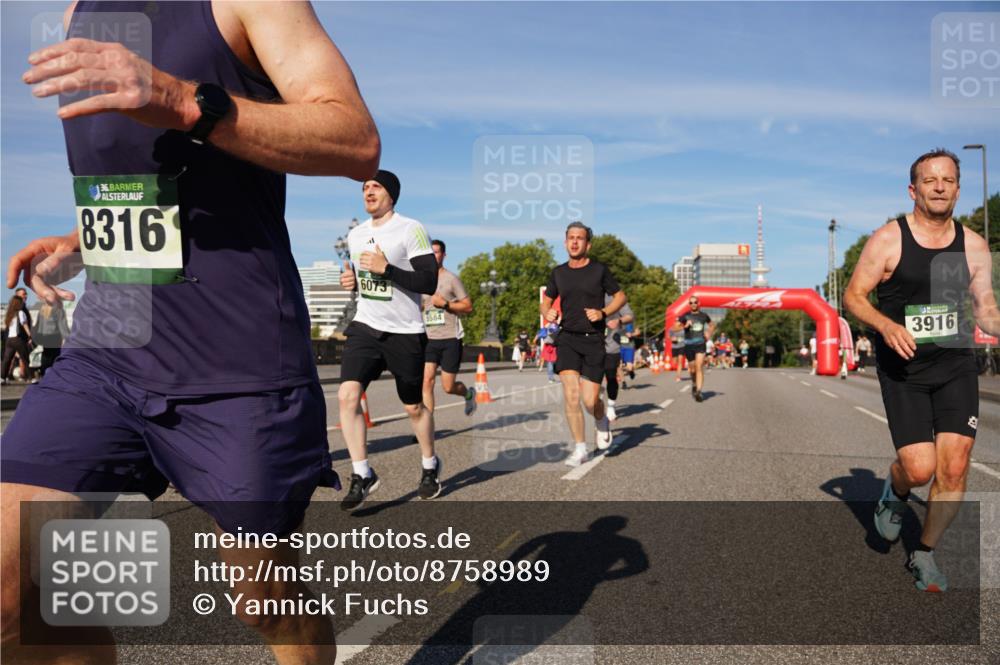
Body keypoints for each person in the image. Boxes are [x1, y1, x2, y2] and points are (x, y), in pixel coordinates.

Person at [2, 3, 380, 663]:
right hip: (106, 353)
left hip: (236, 361)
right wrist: (84, 242)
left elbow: (354, 139)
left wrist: (181, 100)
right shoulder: (77, 12)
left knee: (265, 600)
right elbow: (153, 182)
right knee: (10, 592)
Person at [844, 148, 1000, 593]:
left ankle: (925, 553)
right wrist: (886, 325)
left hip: (955, 365)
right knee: (919, 468)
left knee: (955, 466)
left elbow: (985, 309)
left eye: (947, 180)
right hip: (904, 371)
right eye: (930, 180)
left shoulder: (974, 246)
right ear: (913, 190)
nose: (939, 187)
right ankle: (895, 491)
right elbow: (853, 297)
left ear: (958, 190)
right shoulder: (888, 240)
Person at [338, 170, 443, 511]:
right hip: (366, 326)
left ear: (391, 194)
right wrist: (352, 282)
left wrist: (387, 269)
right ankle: (362, 473)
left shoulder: (411, 229)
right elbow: (366, 281)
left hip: (405, 332)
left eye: (376, 186)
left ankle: (429, 464)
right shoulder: (356, 235)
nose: (368, 191)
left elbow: (428, 281)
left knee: (413, 407)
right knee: (347, 396)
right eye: (365, 187)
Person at [541, 222, 626, 466]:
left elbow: (621, 296)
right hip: (567, 338)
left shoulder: (599, 270)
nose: (575, 242)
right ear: (565, 242)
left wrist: (603, 312)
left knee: (590, 401)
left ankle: (601, 419)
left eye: (580, 238)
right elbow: (546, 301)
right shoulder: (558, 272)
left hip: (593, 340)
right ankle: (580, 448)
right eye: (571, 238)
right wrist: (547, 312)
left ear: (588, 244)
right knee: (571, 395)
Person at [421, 239, 476, 419]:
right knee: (426, 382)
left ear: (443, 255)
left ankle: (468, 394)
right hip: (429, 339)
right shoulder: (421, 280)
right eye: (430, 252)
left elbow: (468, 306)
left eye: (436, 252)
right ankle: (427, 426)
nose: (433, 256)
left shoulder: (451, 279)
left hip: (450, 339)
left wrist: (445, 304)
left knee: (448, 387)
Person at [602, 296, 634, 422]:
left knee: (611, 377)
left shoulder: (615, 296)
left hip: (611, 346)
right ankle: (597, 408)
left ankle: (611, 405)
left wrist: (619, 320)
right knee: (593, 380)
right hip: (591, 346)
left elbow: (630, 316)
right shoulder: (585, 292)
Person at [679, 296, 713, 402]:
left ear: (699, 303)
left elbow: (712, 325)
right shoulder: (685, 315)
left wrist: (708, 334)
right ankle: (694, 383)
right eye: (691, 302)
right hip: (689, 345)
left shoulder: (704, 316)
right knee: (692, 369)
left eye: (695, 302)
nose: (693, 304)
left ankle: (698, 391)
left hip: (700, 344)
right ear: (689, 304)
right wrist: (685, 326)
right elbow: (674, 328)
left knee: (699, 367)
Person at [31, 300, 71, 377]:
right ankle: (54, 375)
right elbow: (62, 326)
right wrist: (69, 338)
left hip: (44, 337)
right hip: (55, 337)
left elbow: (39, 325)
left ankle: (44, 374)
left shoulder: (42, 310)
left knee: (46, 356)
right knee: (55, 356)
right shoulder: (59, 310)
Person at [1, 295, 33, 384]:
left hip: (9, 340)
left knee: (7, 359)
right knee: (25, 358)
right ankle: (31, 377)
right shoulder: (21, 313)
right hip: (18, 339)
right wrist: (30, 336)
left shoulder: (9, 314)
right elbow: (24, 325)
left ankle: (2, 378)